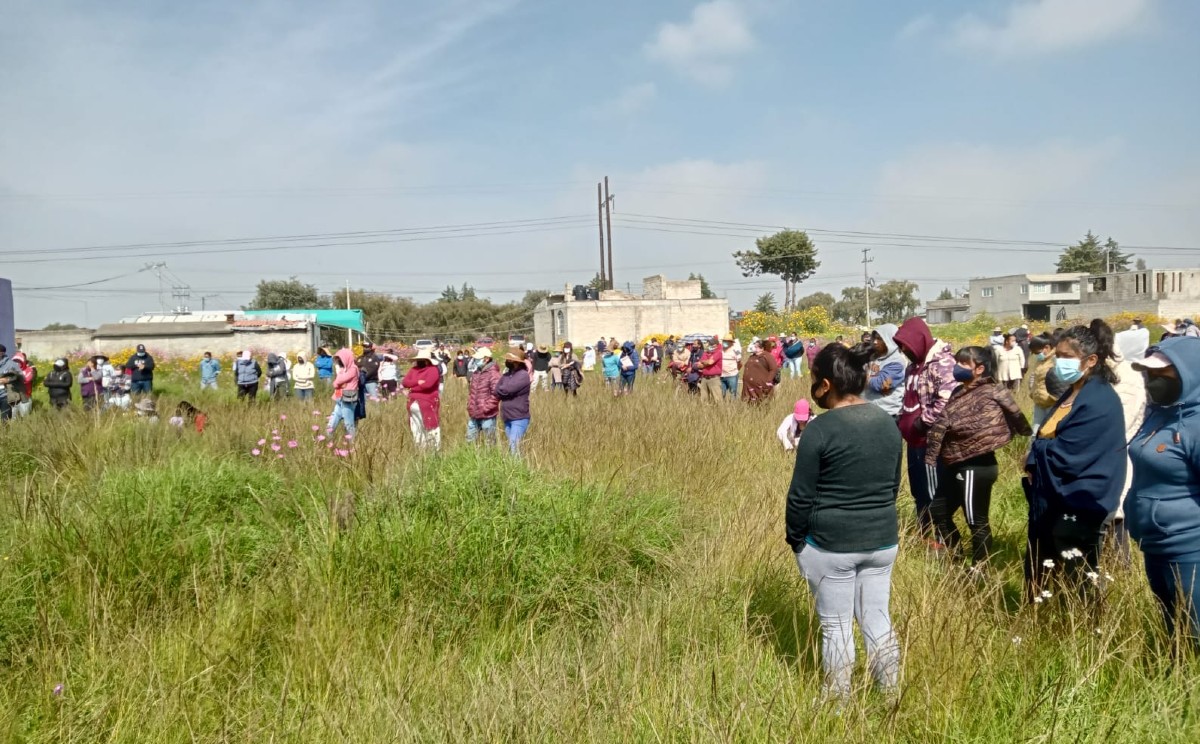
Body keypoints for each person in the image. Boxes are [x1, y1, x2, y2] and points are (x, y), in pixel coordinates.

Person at [786, 342, 903, 700]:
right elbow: (893, 486)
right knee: (877, 619)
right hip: (882, 540)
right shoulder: (887, 423)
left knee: (836, 626)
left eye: (814, 380)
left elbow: (800, 496)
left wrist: (797, 541)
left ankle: (837, 703)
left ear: (826, 384)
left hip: (831, 544)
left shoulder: (819, 430)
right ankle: (891, 697)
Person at [1024, 320, 1127, 598]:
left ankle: (1082, 625)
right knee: (1047, 566)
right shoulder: (1073, 392)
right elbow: (1049, 437)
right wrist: (1038, 449)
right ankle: (1044, 619)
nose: (1060, 363)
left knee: (1078, 576)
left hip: (1081, 499)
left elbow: (1073, 453)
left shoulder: (1099, 400)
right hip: (1055, 497)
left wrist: (1037, 451)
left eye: (1067, 357)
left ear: (1091, 360)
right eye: (1058, 356)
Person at [925, 346, 1031, 568]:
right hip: (954, 461)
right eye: (957, 362)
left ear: (980, 369)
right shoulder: (957, 392)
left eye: (964, 364)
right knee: (938, 511)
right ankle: (956, 558)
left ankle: (979, 568)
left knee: (976, 520)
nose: (957, 368)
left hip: (977, 465)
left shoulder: (993, 391)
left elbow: (1017, 418)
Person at [1126, 339, 1200, 648]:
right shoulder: (1159, 413)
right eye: (1147, 374)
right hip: (1153, 541)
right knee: (1172, 625)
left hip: (1189, 546)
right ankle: (1176, 676)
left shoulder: (1195, 425)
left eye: (1162, 375)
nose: (1152, 382)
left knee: (1194, 629)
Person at [894, 318, 959, 537]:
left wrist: (923, 422)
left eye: (906, 345)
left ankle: (941, 538)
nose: (904, 350)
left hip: (930, 441)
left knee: (934, 492)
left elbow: (947, 399)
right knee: (918, 490)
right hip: (913, 442)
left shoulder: (943, 363)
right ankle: (924, 533)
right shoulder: (913, 366)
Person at [864, 324, 906, 420]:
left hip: (887, 413)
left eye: (880, 339)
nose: (874, 342)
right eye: (874, 338)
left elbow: (879, 383)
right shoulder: (874, 357)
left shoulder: (896, 362)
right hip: (871, 410)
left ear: (889, 340)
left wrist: (863, 377)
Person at [1027, 334, 1068, 434]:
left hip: (1051, 402)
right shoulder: (1040, 360)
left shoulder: (1056, 360)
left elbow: (1061, 382)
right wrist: (1033, 392)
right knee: (1035, 432)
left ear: (1047, 347)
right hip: (1039, 402)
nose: (1037, 355)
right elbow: (1034, 376)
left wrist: (1053, 397)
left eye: (1037, 352)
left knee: (1050, 432)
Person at [402, 349, 442, 450]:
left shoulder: (433, 370)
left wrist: (412, 388)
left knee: (430, 427)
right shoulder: (414, 369)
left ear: (427, 360)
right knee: (416, 428)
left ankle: (433, 450)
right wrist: (418, 382)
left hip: (427, 402)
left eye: (421, 359)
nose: (419, 361)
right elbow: (405, 382)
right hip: (413, 403)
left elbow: (427, 385)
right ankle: (421, 449)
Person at [497, 348, 532, 455]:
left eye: (510, 360)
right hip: (507, 416)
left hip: (519, 417)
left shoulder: (523, 375)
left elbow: (508, 389)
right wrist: (502, 390)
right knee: (511, 446)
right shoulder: (507, 374)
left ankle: (517, 469)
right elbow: (496, 389)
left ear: (517, 362)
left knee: (514, 446)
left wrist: (503, 390)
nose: (507, 362)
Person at [466, 347, 501, 444]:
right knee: (469, 440)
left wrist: (486, 407)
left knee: (489, 442)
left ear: (486, 359)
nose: (475, 361)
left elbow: (496, 393)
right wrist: (470, 404)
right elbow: (472, 391)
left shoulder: (493, 374)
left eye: (478, 359)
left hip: (487, 414)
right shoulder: (476, 372)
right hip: (474, 412)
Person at [327, 348, 360, 437]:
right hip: (339, 397)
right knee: (333, 419)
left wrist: (337, 381)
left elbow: (338, 381)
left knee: (348, 423)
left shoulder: (353, 368)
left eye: (339, 359)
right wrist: (337, 382)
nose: (338, 362)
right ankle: (328, 438)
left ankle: (351, 443)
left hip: (348, 398)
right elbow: (337, 384)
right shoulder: (343, 369)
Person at [742, 338, 780, 403]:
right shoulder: (752, 356)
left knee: (761, 403)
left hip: (761, 386)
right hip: (749, 386)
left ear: (762, 348)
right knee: (750, 405)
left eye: (756, 347)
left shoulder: (767, 356)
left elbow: (773, 369)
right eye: (754, 346)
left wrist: (768, 381)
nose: (754, 348)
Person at [697, 337, 723, 402]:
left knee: (717, 398)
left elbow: (710, 362)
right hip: (704, 378)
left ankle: (720, 410)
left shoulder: (718, 352)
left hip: (714, 378)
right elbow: (699, 365)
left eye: (710, 344)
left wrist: (704, 362)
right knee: (704, 398)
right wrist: (706, 362)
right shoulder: (706, 353)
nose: (708, 345)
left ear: (715, 345)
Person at [0, 344, 19, 421]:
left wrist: (7, 380)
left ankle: (5, 432)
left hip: (5, 395)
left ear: (2, 353)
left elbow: (19, 376)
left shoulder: (11, 364)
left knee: (5, 419)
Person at [719, 334, 741, 400]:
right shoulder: (720, 350)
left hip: (732, 374)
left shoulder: (735, 351)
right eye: (724, 341)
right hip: (721, 375)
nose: (725, 342)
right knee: (721, 393)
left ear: (731, 342)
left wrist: (736, 370)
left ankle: (733, 407)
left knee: (733, 393)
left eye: (727, 341)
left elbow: (739, 362)